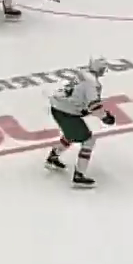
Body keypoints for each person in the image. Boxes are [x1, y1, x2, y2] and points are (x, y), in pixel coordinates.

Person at [46, 57, 116, 188]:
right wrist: (105, 117)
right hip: (66, 112)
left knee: (71, 134)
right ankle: (79, 175)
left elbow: (77, 96)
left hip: (58, 107)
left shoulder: (83, 73)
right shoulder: (92, 84)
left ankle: (52, 158)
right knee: (89, 140)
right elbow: (94, 106)